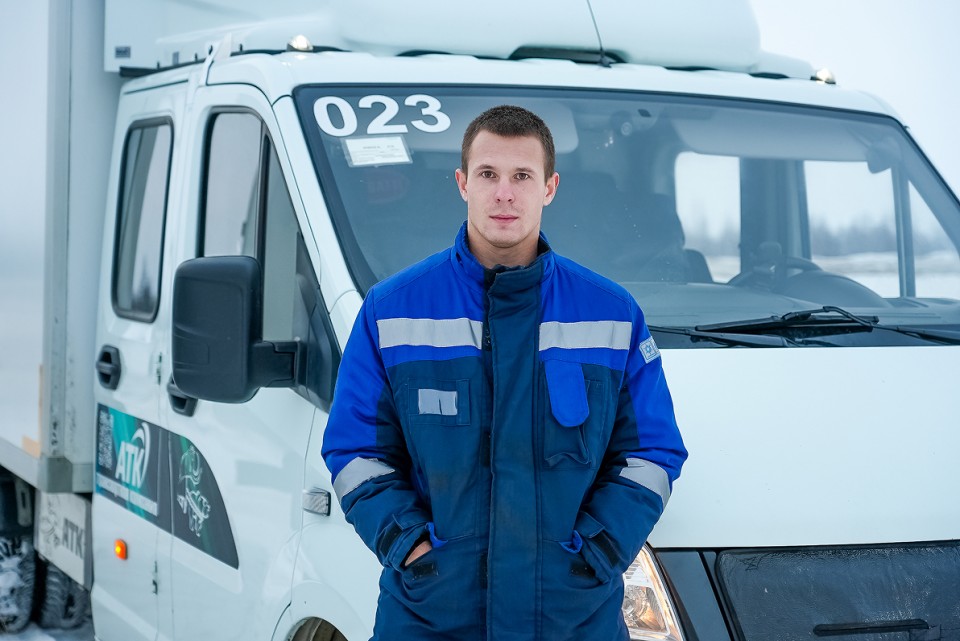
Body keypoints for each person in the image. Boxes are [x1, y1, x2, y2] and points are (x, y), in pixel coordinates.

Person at [322, 105, 687, 641]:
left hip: (572, 619)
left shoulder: (612, 314)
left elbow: (651, 453)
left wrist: (599, 551)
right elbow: (356, 451)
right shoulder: (391, 310)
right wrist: (408, 545)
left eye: (522, 176)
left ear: (550, 188)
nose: (504, 194)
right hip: (431, 618)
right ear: (462, 183)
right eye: (488, 174)